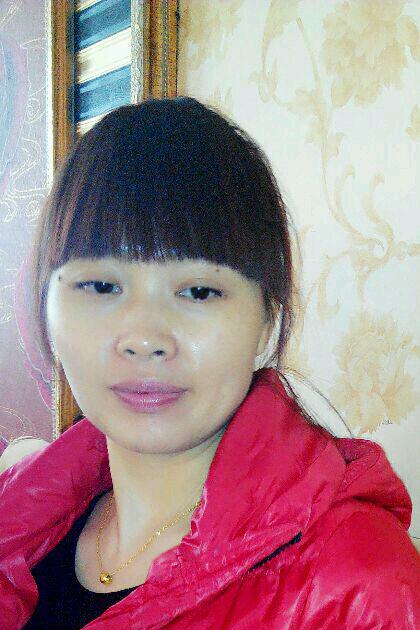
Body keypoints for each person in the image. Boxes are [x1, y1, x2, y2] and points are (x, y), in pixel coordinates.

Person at [0, 96, 419, 629]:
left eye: (198, 291)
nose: (145, 338)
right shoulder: (19, 516)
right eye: (101, 285)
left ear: (267, 322)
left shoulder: (356, 587)